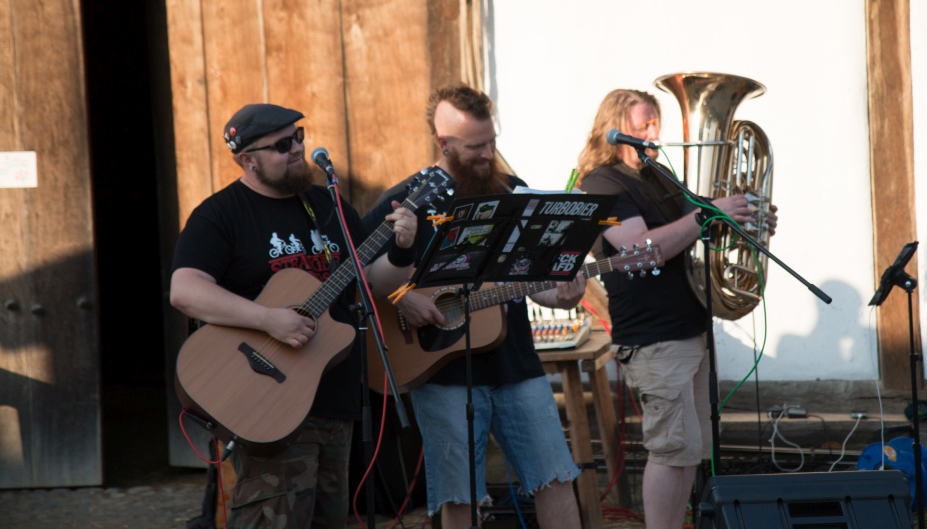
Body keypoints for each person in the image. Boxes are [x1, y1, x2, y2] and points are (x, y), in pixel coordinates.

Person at [169, 103, 418, 529]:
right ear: (248, 159)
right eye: (283, 144)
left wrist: (403, 247)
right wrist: (268, 320)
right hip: (266, 398)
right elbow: (185, 290)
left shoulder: (325, 204)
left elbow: (374, 279)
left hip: (332, 396)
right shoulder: (220, 214)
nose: (298, 149)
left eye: (299, 136)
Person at [362, 84, 585, 529]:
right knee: (459, 496)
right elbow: (362, 278)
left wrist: (564, 295)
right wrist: (403, 299)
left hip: (517, 366)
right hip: (441, 372)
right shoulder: (407, 200)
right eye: (475, 146)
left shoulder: (513, 193)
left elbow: (530, 282)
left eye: (492, 141)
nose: (488, 154)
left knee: (555, 478)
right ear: (444, 144)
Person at [575, 89, 777, 529]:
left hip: (690, 326)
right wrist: (707, 215)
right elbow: (638, 249)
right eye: (641, 126)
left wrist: (741, 220)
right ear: (612, 129)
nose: (653, 134)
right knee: (670, 451)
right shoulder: (600, 183)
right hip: (652, 335)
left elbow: (693, 241)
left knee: (691, 449)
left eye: (654, 124)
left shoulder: (660, 175)